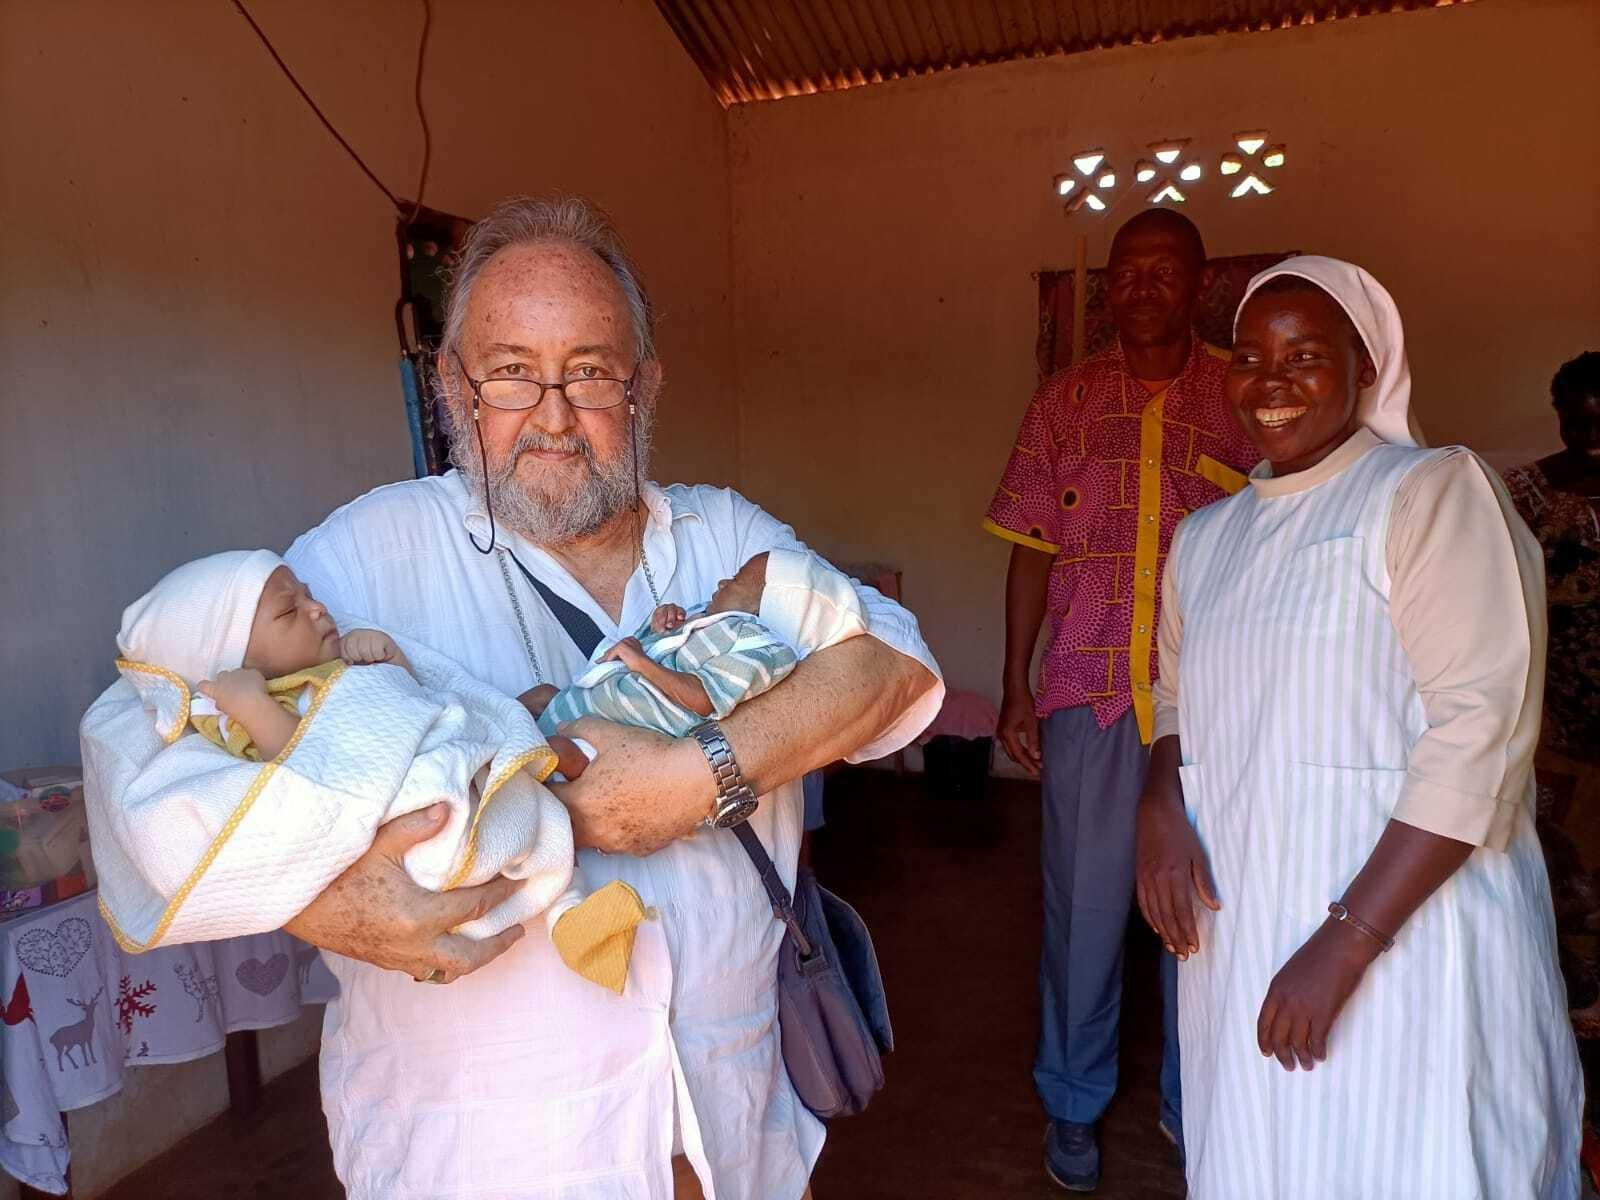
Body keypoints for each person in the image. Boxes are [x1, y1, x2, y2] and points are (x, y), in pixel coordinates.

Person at [250, 196, 934, 1200]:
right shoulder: (361, 560)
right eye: (512, 372)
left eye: (590, 372)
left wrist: (695, 778)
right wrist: (321, 902)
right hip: (485, 1154)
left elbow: (899, 666)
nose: (555, 414)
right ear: (451, 387)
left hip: (726, 1126)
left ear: (644, 386)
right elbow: (178, 747)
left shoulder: (717, 534)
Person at [1136, 256, 1581, 1198]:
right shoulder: (1206, 537)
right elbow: (1175, 696)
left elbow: (1478, 733)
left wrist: (1348, 940)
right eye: (1250, 356)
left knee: (1407, 1151)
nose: (1271, 380)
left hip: (1404, 926)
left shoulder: (1427, 495)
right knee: (1266, 1150)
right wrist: (1160, 806)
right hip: (1246, 913)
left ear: (1368, 368)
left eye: (1305, 355)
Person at [984, 208, 1257, 1189]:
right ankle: (1071, 1105)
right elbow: (1029, 548)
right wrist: (1015, 681)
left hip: (1217, 710)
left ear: (1198, 286)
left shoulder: (1242, 395)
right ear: (1107, 291)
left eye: (1163, 271)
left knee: (1208, 919)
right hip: (1090, 695)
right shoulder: (1062, 402)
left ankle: (1199, 1104)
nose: (1143, 286)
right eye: (1125, 272)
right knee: (1083, 920)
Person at [90, 549, 645, 994]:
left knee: (534, 811)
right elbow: (303, 780)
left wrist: (391, 665)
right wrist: (255, 707)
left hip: (459, 779)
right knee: (493, 814)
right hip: (412, 827)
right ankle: (556, 893)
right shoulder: (240, 719)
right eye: (290, 611)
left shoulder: (336, 669)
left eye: (309, 596)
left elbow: (416, 707)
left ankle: (569, 905)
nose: (316, 609)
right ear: (230, 665)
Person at [527, 548, 867, 780]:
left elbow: (704, 698)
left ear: (768, 607)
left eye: (734, 581)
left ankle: (500, 773)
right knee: (541, 696)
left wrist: (643, 663)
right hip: (592, 697)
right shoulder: (706, 616)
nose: (721, 584)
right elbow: (654, 648)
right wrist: (658, 626)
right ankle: (489, 733)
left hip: (619, 729)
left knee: (558, 752)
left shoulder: (759, 647)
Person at [1503, 351, 1600, 1141]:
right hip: (1554, 725)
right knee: (1558, 873)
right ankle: (1563, 1022)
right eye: (1577, 417)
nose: (1589, 434)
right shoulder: (1527, 493)